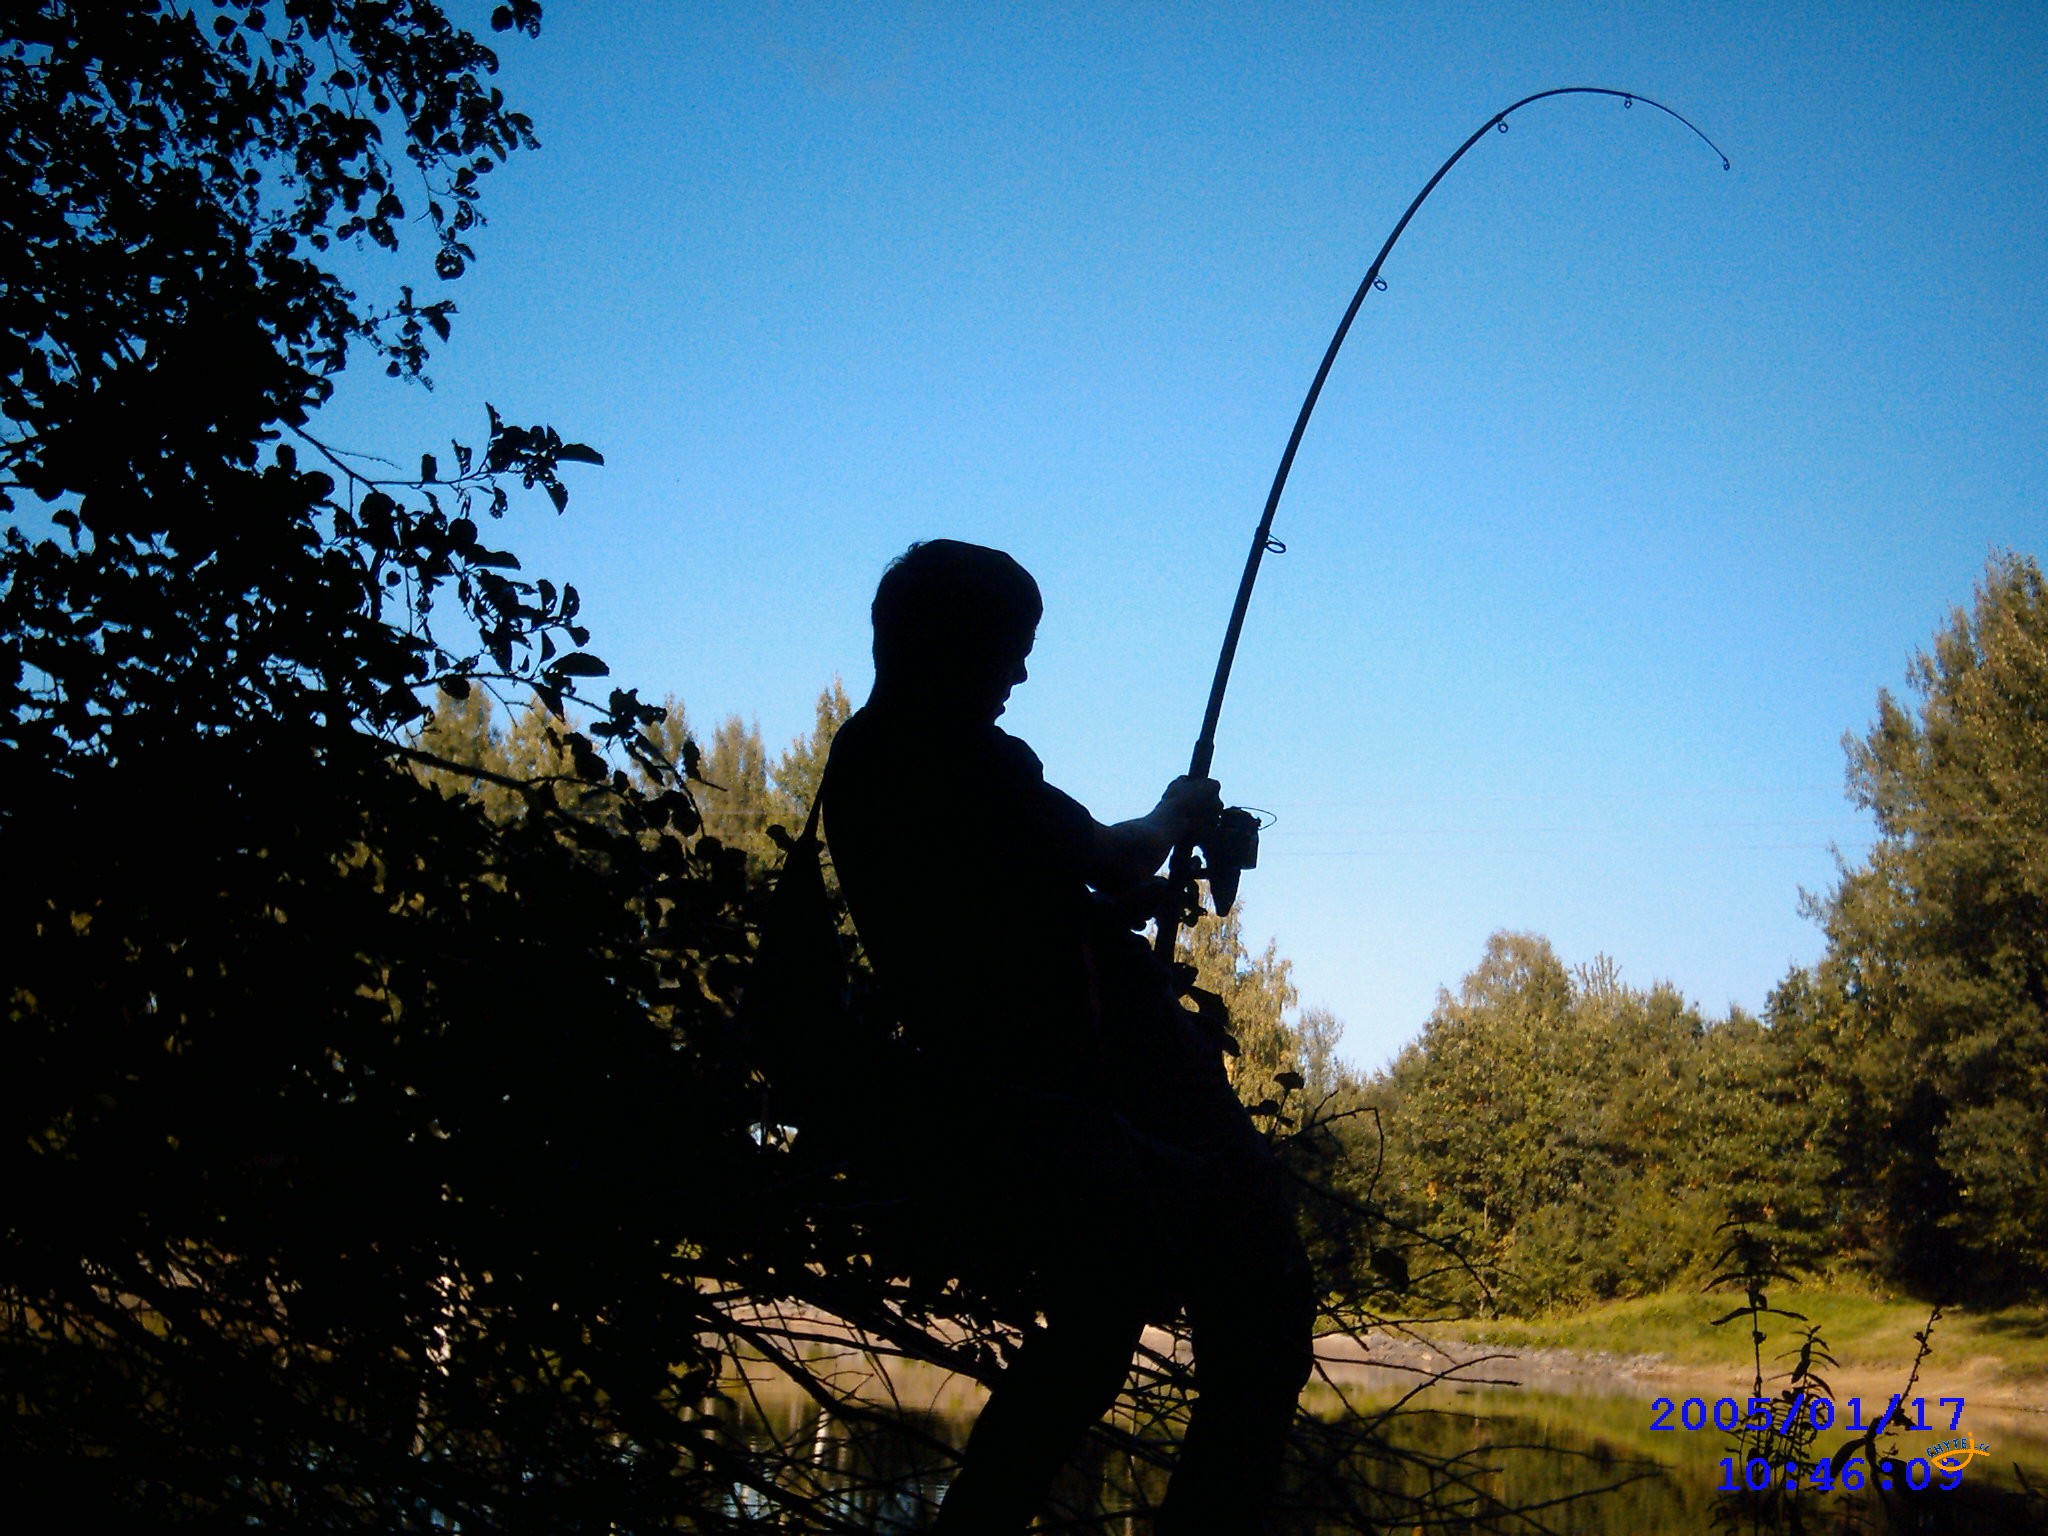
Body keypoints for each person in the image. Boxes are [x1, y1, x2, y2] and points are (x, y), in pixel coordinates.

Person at [819, 539, 1315, 1535]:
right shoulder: (957, 753)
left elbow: (1008, 907)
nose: (1019, 672)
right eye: (1010, 647)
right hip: (1092, 1094)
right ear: (952, 646)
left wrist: (1111, 907)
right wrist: (1174, 814)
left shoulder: (863, 762)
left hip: (1011, 1100)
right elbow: (1107, 854)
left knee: (1093, 1332)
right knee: (1262, 1308)